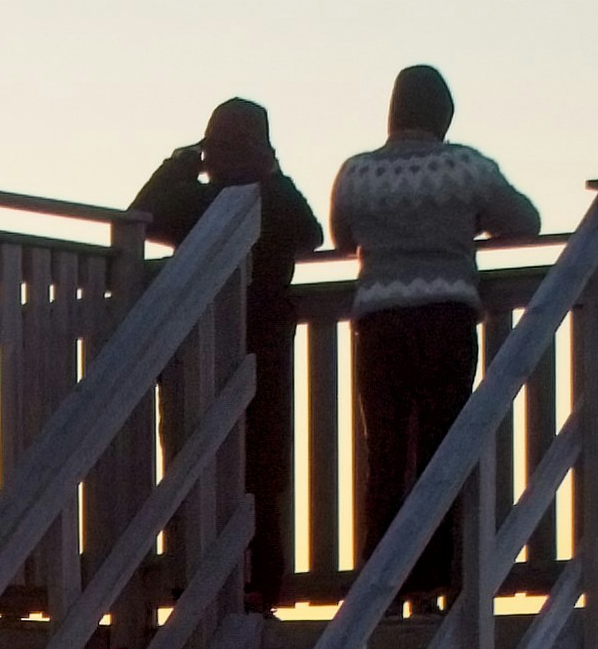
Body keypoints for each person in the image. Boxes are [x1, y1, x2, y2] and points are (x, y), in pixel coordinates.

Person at [329, 65, 540, 616]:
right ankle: (432, 575)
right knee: (442, 447)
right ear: (443, 113)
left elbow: (340, 235)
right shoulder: (464, 166)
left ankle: (382, 576)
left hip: (378, 323)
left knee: (386, 449)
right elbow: (525, 223)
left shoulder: (357, 172)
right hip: (444, 316)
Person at [126, 96, 323, 590]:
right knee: (263, 465)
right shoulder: (273, 200)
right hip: (265, 350)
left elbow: (140, 214)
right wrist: (271, 170)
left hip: (196, 351)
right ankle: (259, 582)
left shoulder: (192, 203)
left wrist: (178, 164)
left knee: (191, 463)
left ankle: (193, 577)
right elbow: (311, 232)